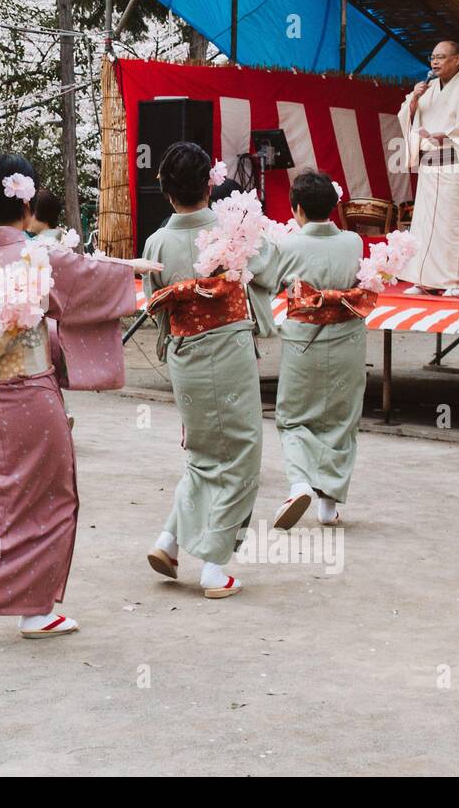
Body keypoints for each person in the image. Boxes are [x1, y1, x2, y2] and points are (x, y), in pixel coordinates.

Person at [0, 154, 161, 647]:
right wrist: (132, 270)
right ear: (27, 200)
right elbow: (89, 277)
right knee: (52, 498)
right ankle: (13, 609)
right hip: (30, 393)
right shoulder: (38, 256)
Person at [141, 142, 280, 600]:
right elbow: (267, 271)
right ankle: (215, 566)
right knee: (241, 453)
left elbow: (155, 305)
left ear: (165, 189)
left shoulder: (157, 241)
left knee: (203, 453)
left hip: (184, 351)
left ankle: (171, 540)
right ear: (210, 184)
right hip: (228, 346)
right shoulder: (231, 229)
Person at [250, 170, 365, 528]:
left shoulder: (287, 246)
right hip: (347, 339)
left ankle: (299, 482)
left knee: (295, 416)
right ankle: (328, 506)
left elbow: (262, 280)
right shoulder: (354, 243)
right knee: (342, 419)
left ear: (297, 209)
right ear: (333, 205)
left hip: (304, 342)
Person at [397, 40, 459, 297]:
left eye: (441, 57)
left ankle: (455, 280)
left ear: (456, 60)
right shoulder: (426, 89)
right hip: (429, 163)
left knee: (451, 223)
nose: (435, 62)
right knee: (424, 222)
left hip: (452, 160)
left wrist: (445, 134)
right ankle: (421, 277)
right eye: (432, 57)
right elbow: (406, 116)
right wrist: (414, 100)